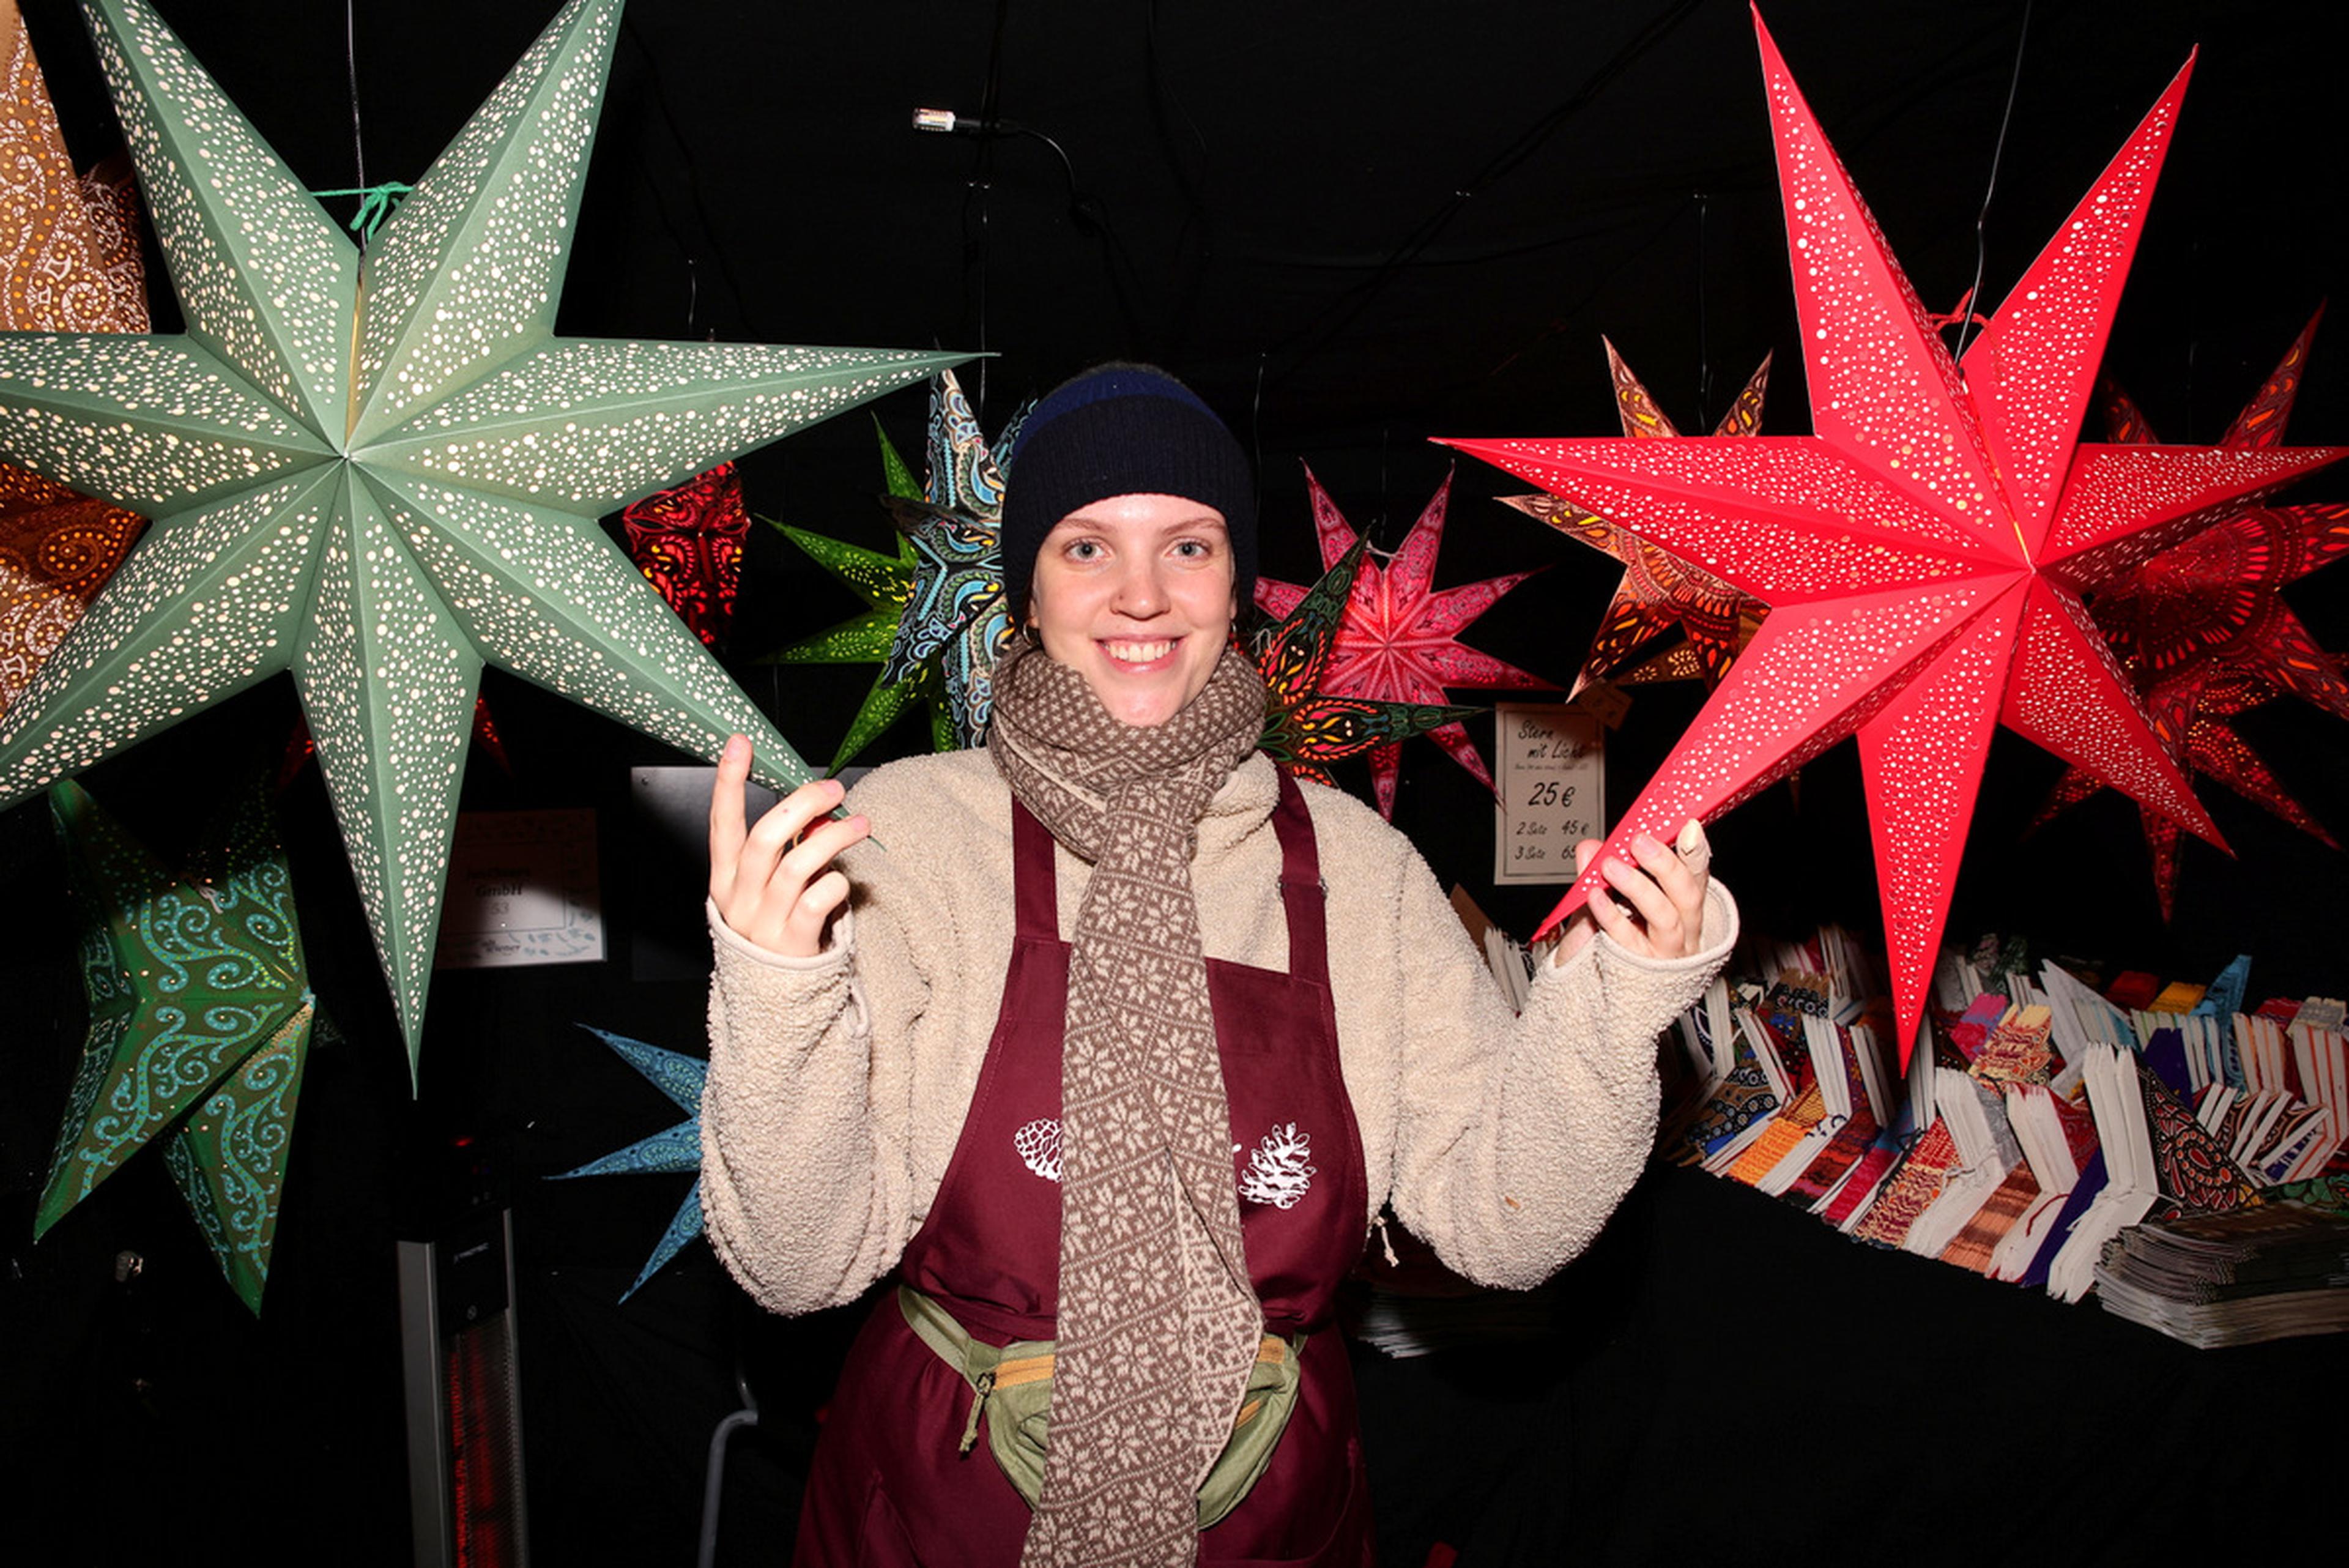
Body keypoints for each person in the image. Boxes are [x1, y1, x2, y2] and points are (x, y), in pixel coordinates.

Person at [701, 363, 1738, 1567]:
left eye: (1187, 547)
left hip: (1271, 1519)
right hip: (953, 1510)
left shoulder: (1357, 867)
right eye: (1087, 548)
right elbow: (797, 1258)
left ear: (1236, 586)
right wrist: (777, 989)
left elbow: (1502, 1226)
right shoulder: (914, 837)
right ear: (1027, 592)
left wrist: (1615, 1006)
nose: (1141, 595)